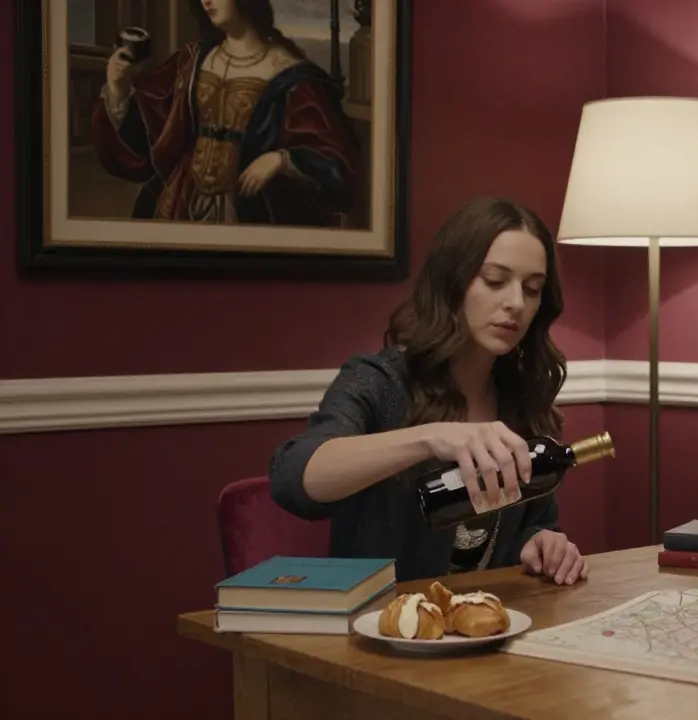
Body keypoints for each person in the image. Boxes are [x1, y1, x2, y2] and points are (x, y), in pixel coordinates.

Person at [269, 196, 588, 586]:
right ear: (452, 280)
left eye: (533, 288)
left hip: (491, 626)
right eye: (494, 281)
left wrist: (540, 542)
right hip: (383, 628)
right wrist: (431, 438)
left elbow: (534, 522)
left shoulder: (521, 395)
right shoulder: (380, 379)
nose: (516, 303)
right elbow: (293, 476)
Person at [92, 0, 359, 226]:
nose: (206, 1)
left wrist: (281, 159)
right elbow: (148, 121)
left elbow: (334, 157)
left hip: (252, 206)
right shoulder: (192, 60)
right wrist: (118, 88)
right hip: (180, 199)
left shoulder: (293, 76)